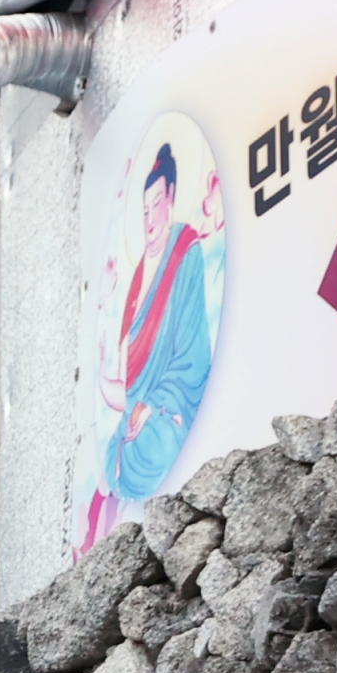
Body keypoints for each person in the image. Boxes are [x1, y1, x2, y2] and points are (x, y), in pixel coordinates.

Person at [81, 142, 215, 554]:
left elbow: (192, 360)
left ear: (172, 199)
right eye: (143, 210)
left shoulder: (186, 254)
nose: (149, 218)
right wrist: (125, 397)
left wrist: (151, 405)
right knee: (111, 456)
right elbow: (129, 367)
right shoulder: (139, 274)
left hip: (169, 406)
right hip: (138, 408)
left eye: (156, 204)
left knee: (150, 446)